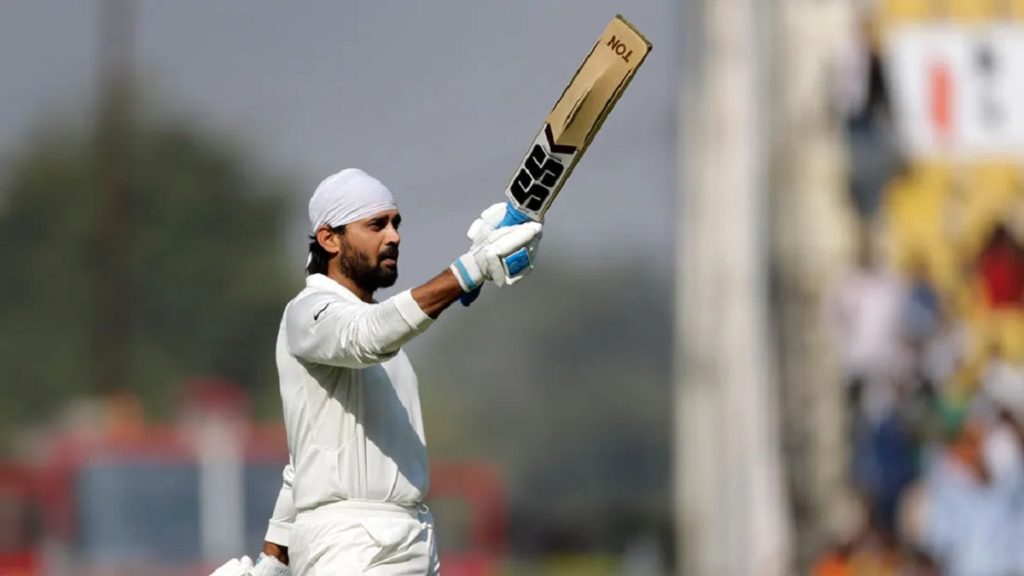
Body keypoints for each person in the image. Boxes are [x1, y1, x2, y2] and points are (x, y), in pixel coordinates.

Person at [212, 168, 543, 575]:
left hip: (409, 539)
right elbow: (368, 334)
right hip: (353, 545)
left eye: (395, 223)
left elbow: (304, 464)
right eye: (376, 225)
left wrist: (273, 561)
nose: (394, 236)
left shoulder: (377, 334)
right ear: (329, 238)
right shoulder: (309, 312)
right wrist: (467, 271)